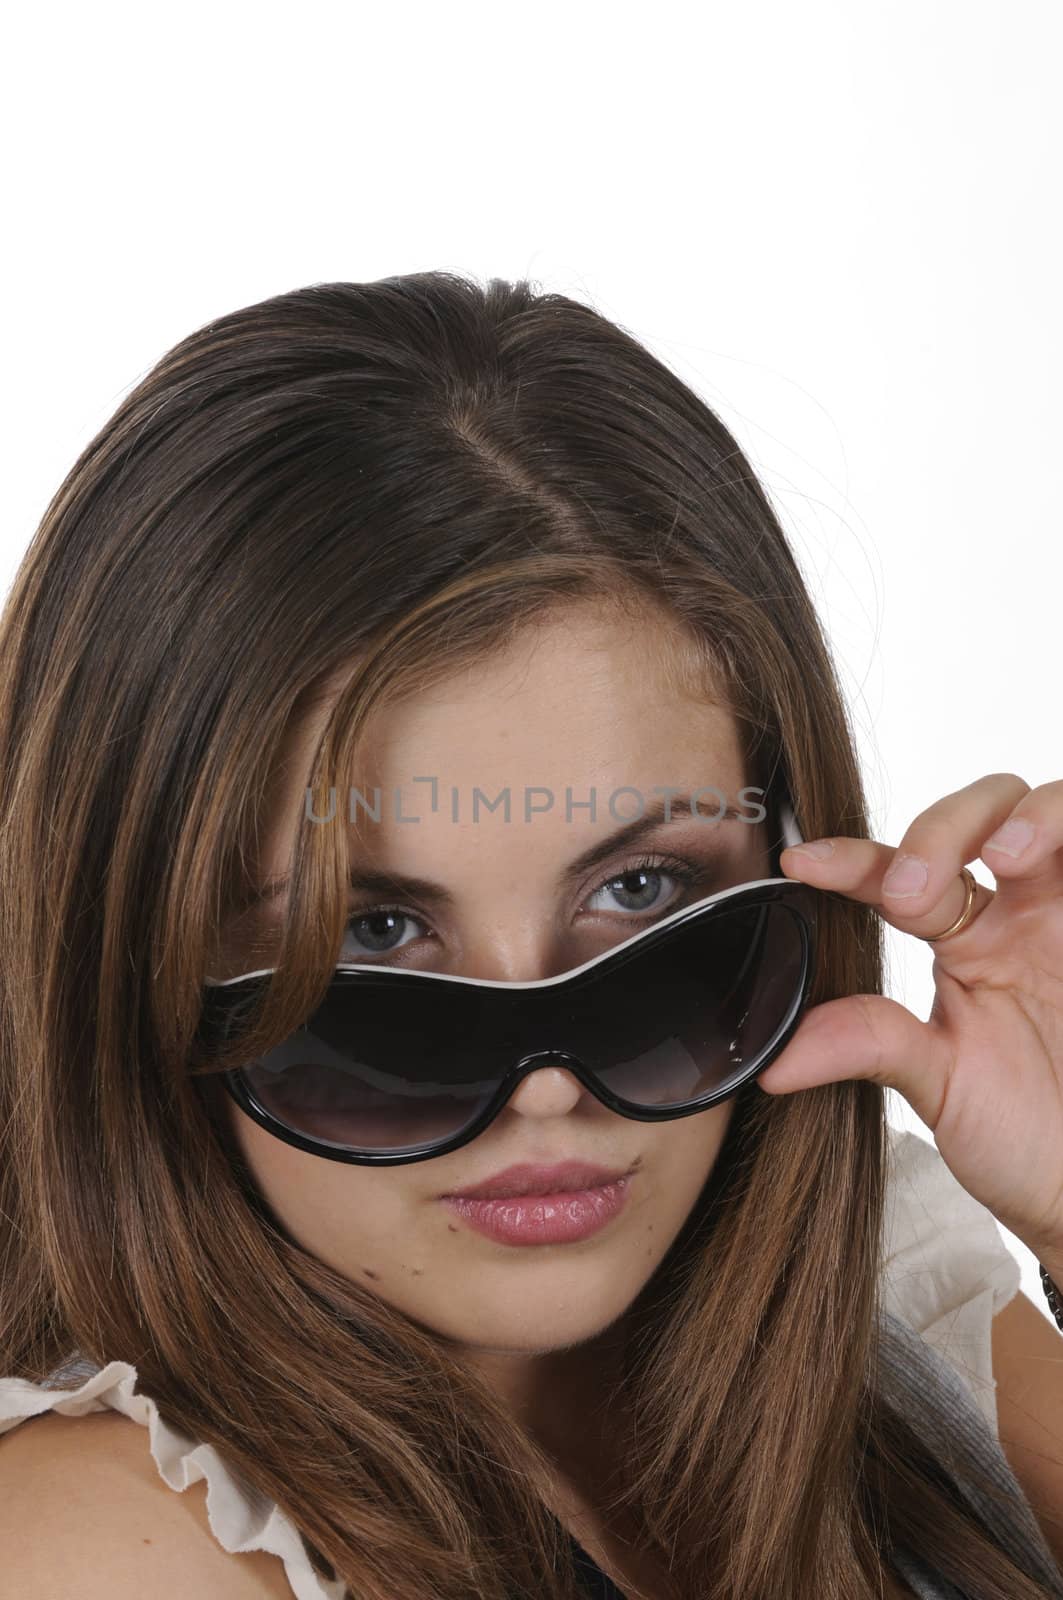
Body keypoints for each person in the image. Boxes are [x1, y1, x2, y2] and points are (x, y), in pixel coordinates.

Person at [0, 272, 1061, 1600]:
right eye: (374, 933)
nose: (549, 1084)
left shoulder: (882, 1306)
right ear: (131, 968)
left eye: (642, 899)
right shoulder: (117, 1543)